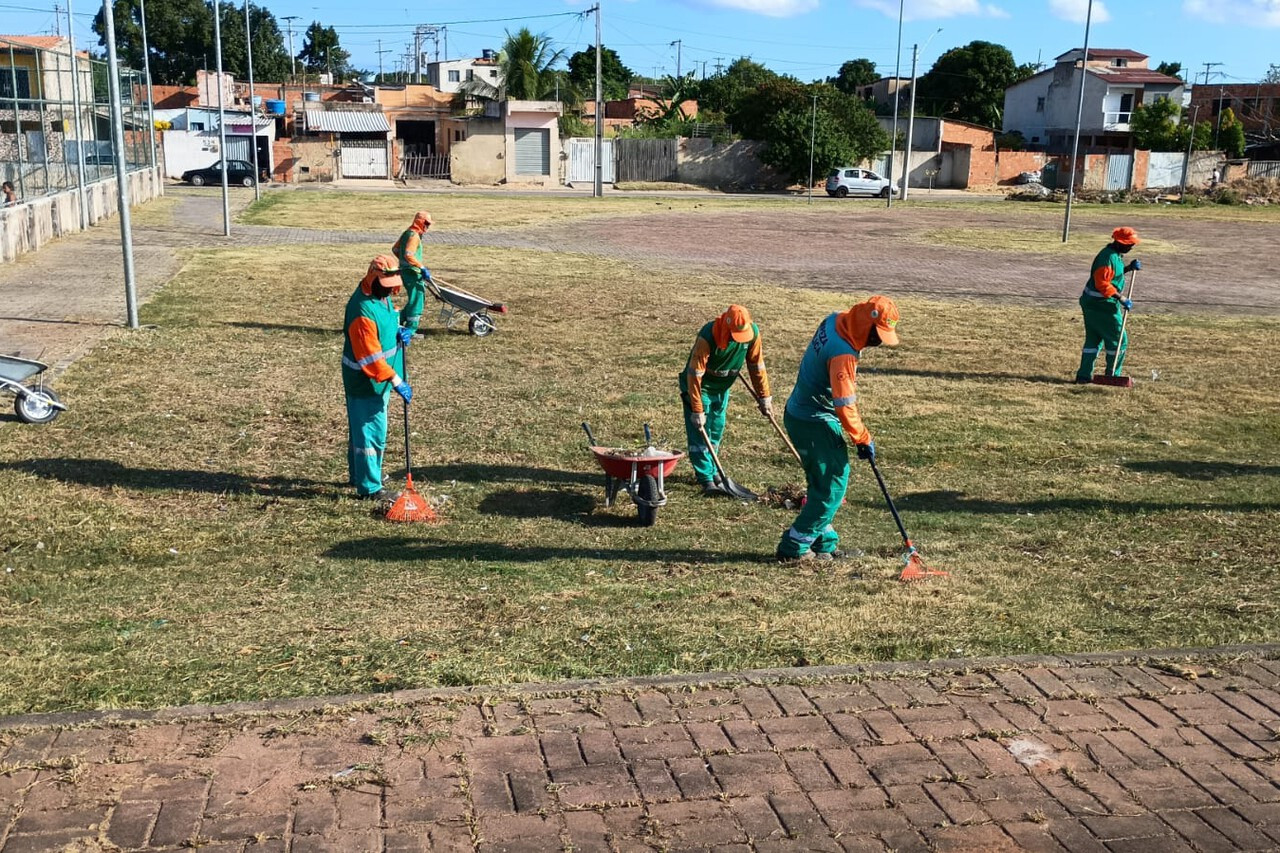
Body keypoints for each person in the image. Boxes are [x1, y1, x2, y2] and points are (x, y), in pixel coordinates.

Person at [777, 295, 900, 563]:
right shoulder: (843, 353)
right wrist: (862, 438)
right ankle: (795, 546)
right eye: (876, 335)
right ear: (865, 324)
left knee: (822, 484)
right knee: (833, 484)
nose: (877, 343)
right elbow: (844, 404)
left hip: (800, 413)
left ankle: (825, 544)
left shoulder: (835, 320)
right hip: (814, 421)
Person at [679, 305, 771, 496]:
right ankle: (706, 478)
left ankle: (714, 470)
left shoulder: (752, 333)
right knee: (700, 433)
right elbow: (694, 374)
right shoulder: (708, 335)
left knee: (716, 427)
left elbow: (757, 366)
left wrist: (764, 397)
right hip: (700, 387)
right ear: (726, 328)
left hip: (723, 388)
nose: (736, 340)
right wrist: (696, 409)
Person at [343, 255, 412, 500]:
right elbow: (370, 357)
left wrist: (397, 330)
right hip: (367, 382)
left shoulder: (378, 297)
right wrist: (396, 381)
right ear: (372, 278)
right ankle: (370, 488)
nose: (390, 290)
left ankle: (360, 474)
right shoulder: (361, 310)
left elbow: (386, 318)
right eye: (386, 285)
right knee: (371, 433)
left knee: (362, 431)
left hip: (379, 381)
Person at [1075, 227, 1142, 384]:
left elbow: (1112, 276)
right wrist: (1121, 298)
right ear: (1119, 242)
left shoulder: (1114, 255)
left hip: (1092, 303)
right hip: (1102, 306)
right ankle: (1113, 374)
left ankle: (1084, 376)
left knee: (1093, 341)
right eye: (1129, 244)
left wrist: (1128, 268)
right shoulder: (1107, 258)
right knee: (1119, 340)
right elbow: (1102, 284)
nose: (1131, 247)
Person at [391, 210, 433, 336]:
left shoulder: (407, 233)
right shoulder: (414, 236)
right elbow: (409, 254)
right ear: (420, 222)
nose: (427, 227)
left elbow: (395, 249)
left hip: (407, 271)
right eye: (426, 223)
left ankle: (398, 318)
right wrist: (421, 267)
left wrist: (403, 261)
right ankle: (410, 330)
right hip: (412, 272)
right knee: (417, 300)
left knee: (414, 298)